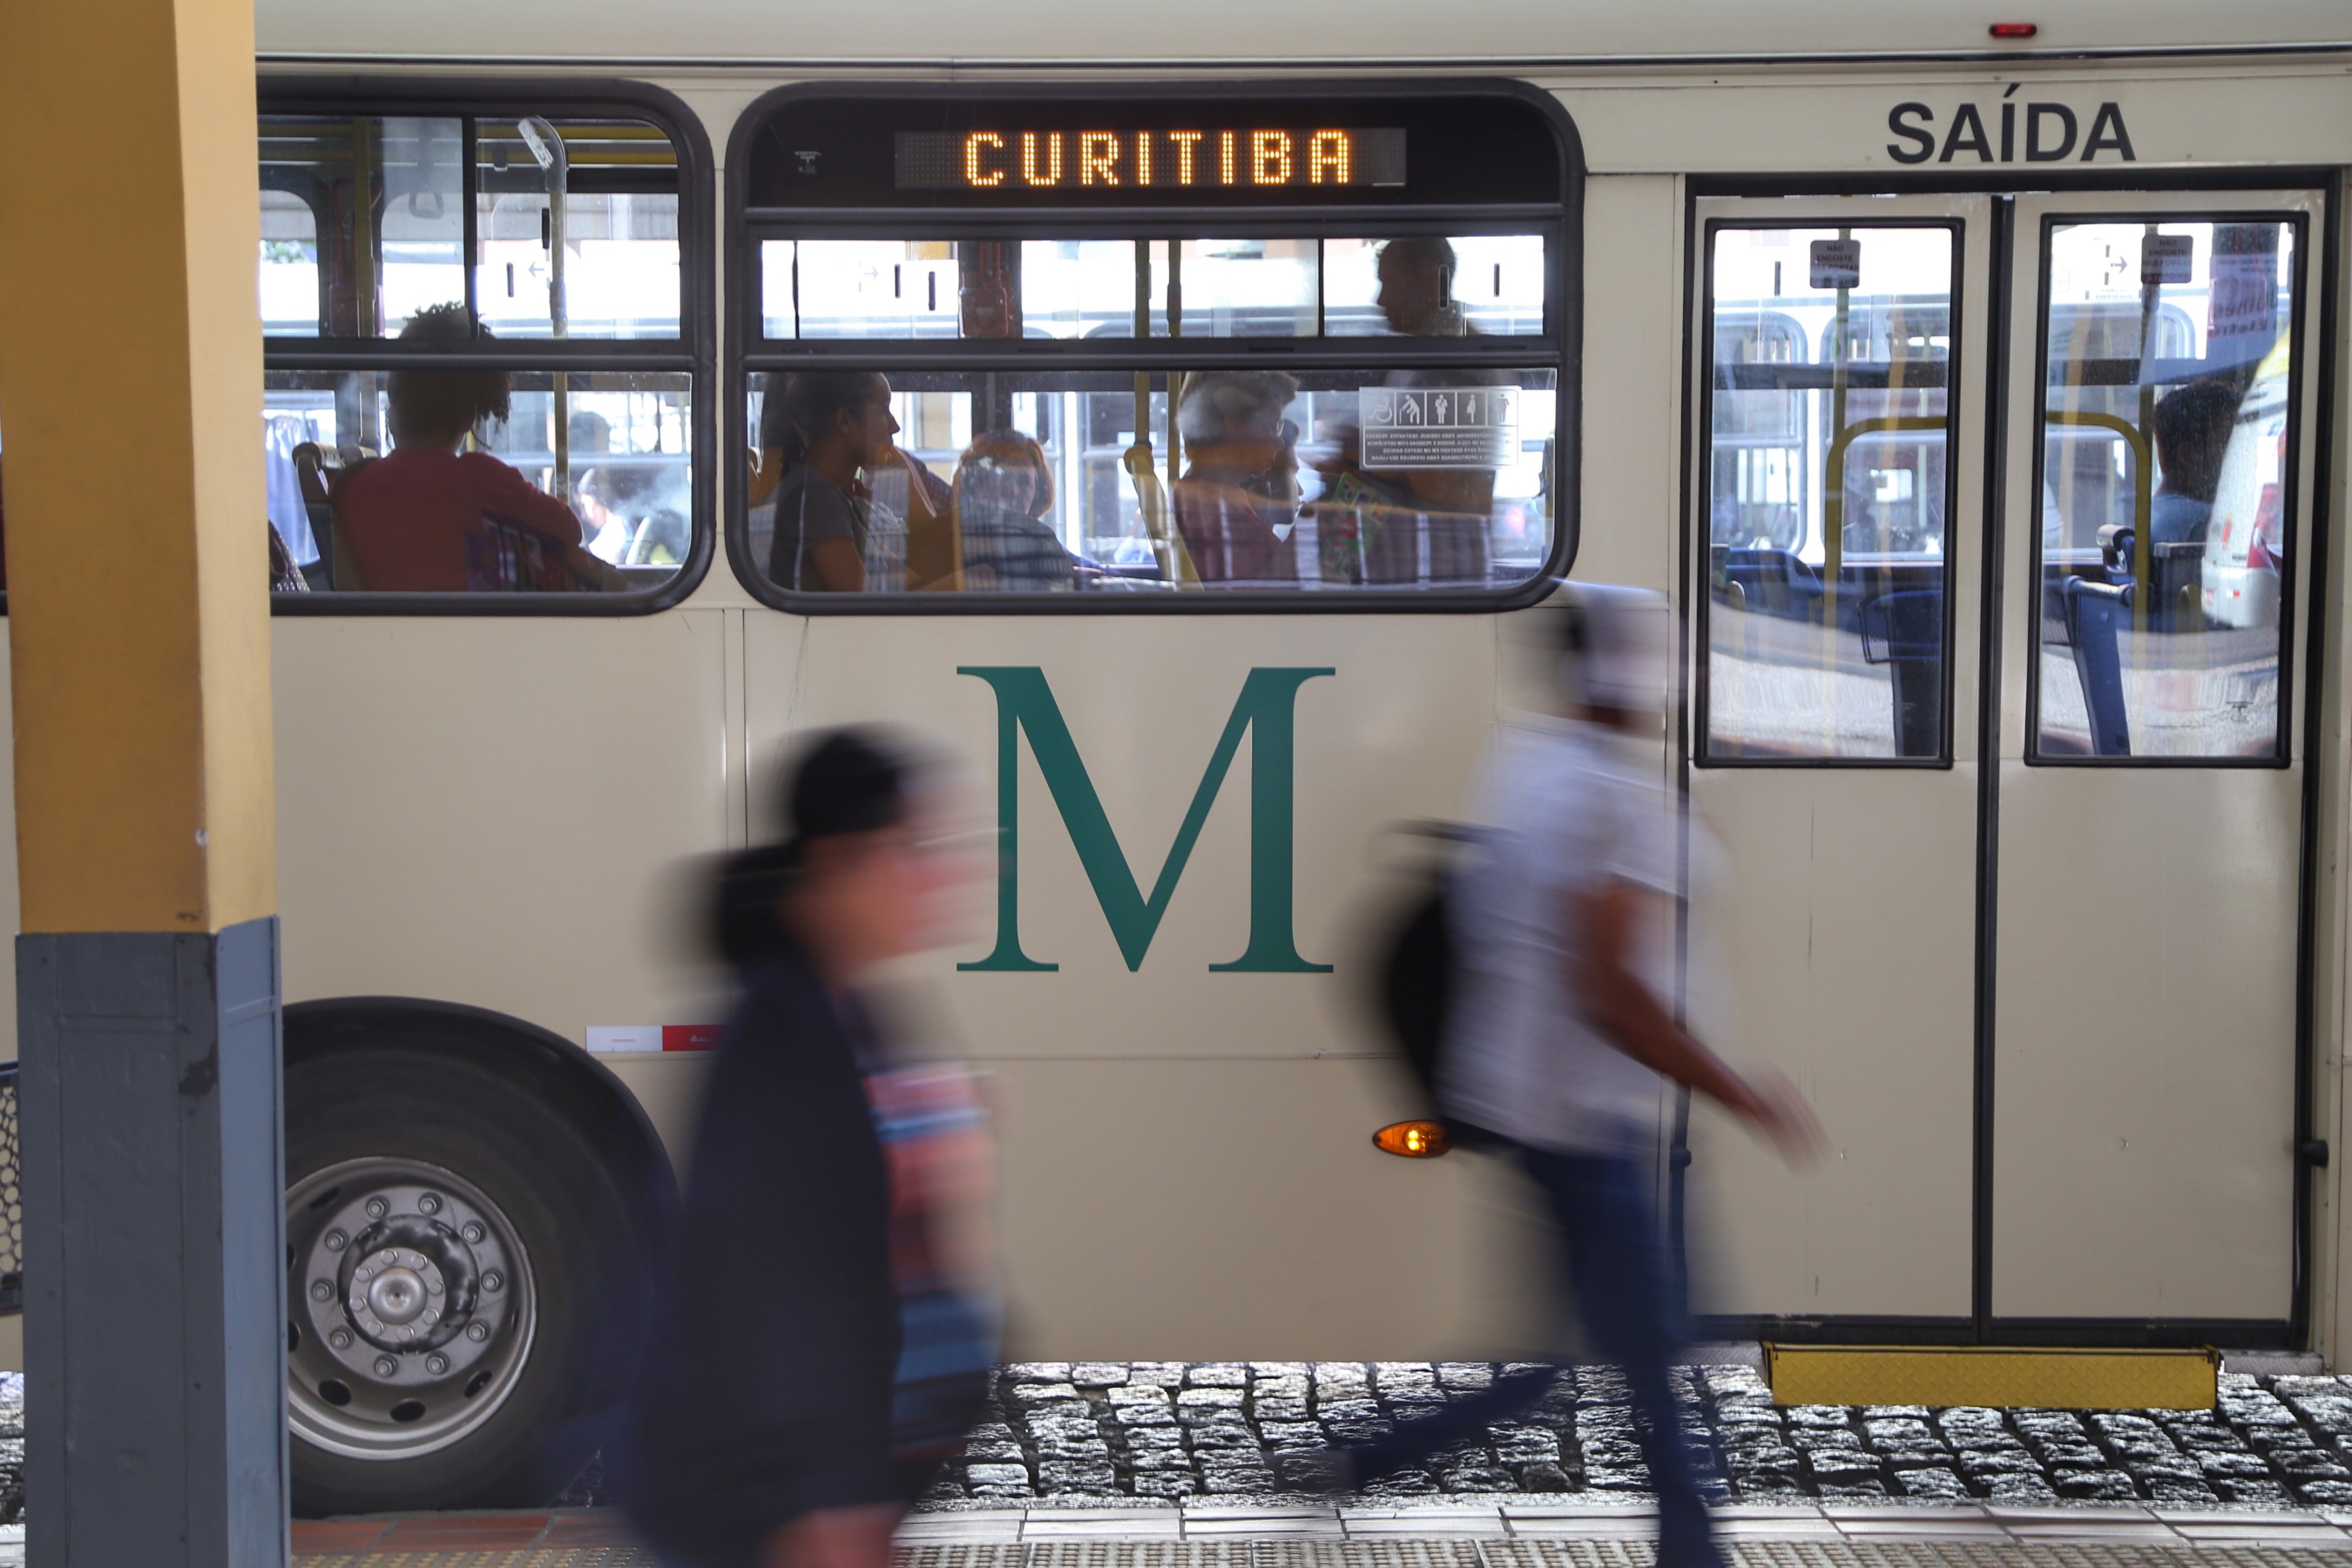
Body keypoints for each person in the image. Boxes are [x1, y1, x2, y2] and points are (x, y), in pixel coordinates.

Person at [1300, 586, 1818, 1568]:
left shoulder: (1528, 762)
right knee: (1656, 1357)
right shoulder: (1608, 799)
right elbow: (1609, 993)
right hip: (1594, 1124)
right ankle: (1692, 1550)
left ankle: (1371, 1459)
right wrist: (1739, 1090)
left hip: (1536, 1109)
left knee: (1575, 1357)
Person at [618, 729, 995, 1568]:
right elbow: (781, 1286)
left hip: (811, 1491)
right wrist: (837, 1495)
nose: (937, 874)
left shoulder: (848, 1010)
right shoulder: (783, 1036)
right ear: (836, 862)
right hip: (767, 1505)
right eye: (912, 848)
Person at [330, 303, 601, 591]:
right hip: (466, 632)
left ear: (392, 414)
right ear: (468, 417)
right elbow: (569, 529)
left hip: (380, 634)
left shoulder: (353, 485)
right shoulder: (479, 477)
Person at [760, 371, 904, 592]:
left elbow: (907, 580)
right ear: (845, 420)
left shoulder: (839, 497)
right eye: (884, 410)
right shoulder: (816, 499)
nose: (894, 426)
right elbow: (866, 605)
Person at [1173, 370, 1302, 585]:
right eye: (1272, 426)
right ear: (1235, 423)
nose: (1278, 443)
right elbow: (1248, 600)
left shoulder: (1218, 498)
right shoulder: (1207, 512)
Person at [952, 430, 1072, 591]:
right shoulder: (950, 538)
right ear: (973, 485)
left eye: (1024, 482)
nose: (1013, 490)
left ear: (1037, 493)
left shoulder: (1041, 542)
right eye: (1001, 477)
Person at [2148, 380, 2240, 545]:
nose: (2237, 457)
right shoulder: (2205, 523)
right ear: (2189, 456)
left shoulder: (2150, 513)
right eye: (2227, 444)